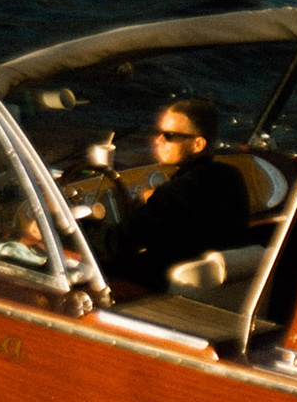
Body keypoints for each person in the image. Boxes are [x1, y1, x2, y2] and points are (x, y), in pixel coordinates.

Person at [102, 97, 254, 289]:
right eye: (158, 133)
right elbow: (195, 207)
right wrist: (156, 198)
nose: (158, 140)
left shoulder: (173, 194)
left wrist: (79, 226)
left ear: (198, 144)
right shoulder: (230, 176)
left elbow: (117, 244)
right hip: (217, 287)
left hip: (167, 289)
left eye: (170, 136)